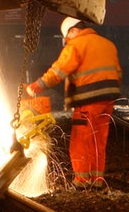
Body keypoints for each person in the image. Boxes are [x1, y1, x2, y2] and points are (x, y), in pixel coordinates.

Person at [26, 16, 122, 189]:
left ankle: (82, 182)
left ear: (73, 31)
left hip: (88, 99)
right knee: (98, 140)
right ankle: (97, 180)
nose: (67, 41)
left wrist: (36, 86)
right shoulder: (108, 44)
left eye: (67, 37)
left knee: (80, 140)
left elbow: (59, 71)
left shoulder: (76, 45)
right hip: (108, 99)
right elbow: (118, 73)